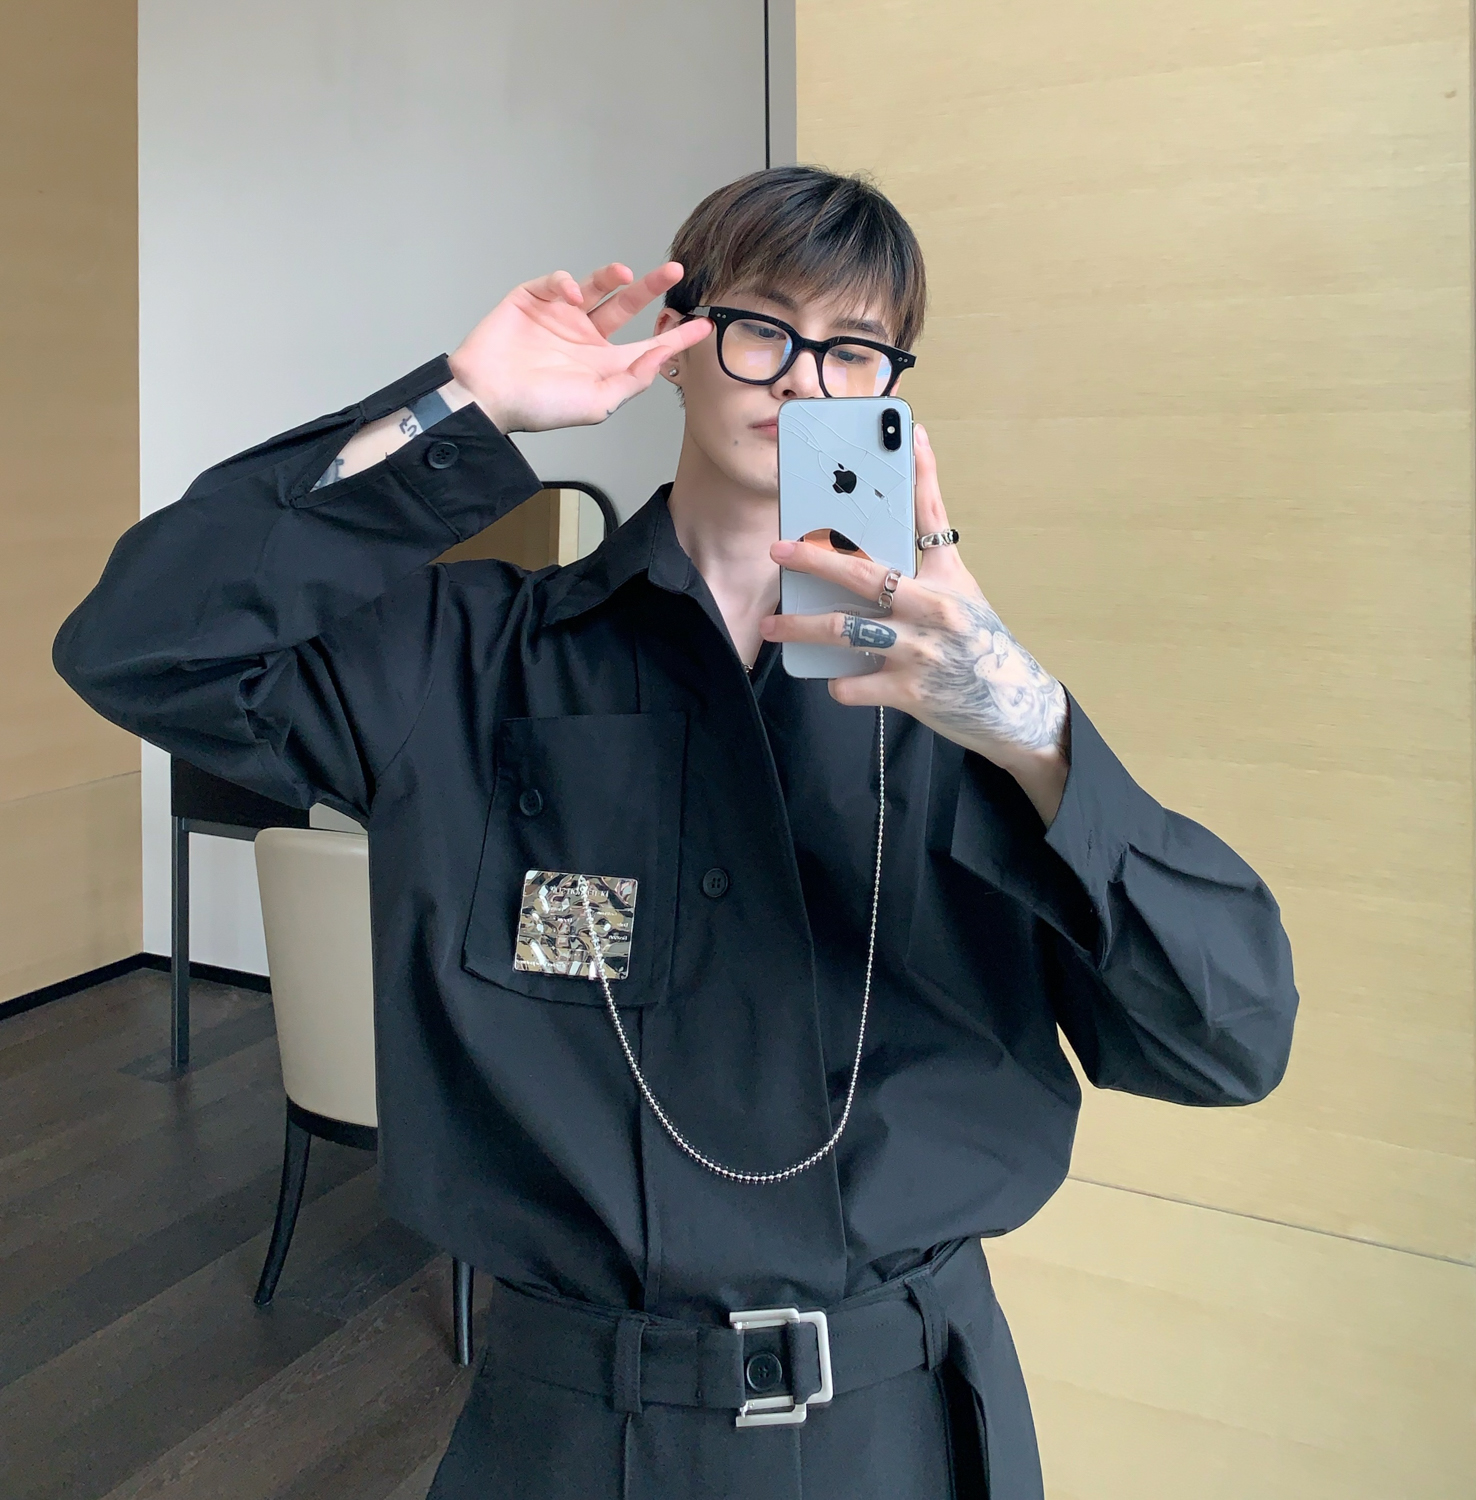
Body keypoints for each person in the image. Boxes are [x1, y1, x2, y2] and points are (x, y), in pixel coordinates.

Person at [53, 166, 1298, 1500]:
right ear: (681, 340)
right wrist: (461, 406)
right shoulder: (475, 660)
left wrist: (1036, 733)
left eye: (855, 349)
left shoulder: (969, 711)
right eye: (764, 326)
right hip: (570, 1426)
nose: (804, 379)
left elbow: (1227, 1039)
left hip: (908, 1420)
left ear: (891, 391)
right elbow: (140, 644)